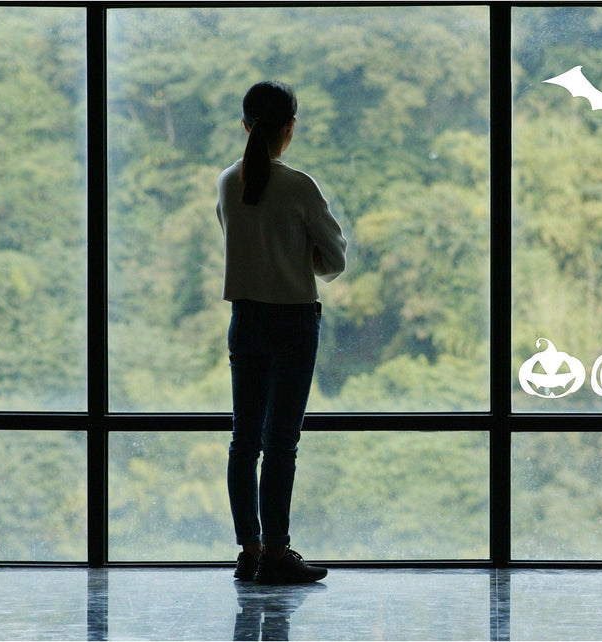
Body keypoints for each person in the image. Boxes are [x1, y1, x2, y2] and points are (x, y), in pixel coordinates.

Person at [216, 80, 347, 584]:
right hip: (292, 320)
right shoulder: (299, 186)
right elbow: (334, 259)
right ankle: (276, 553)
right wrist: (299, 257)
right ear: (289, 127)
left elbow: (239, 241)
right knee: (280, 444)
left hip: (244, 318)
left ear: (245, 125)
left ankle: (249, 551)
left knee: (244, 441)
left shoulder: (228, 181)